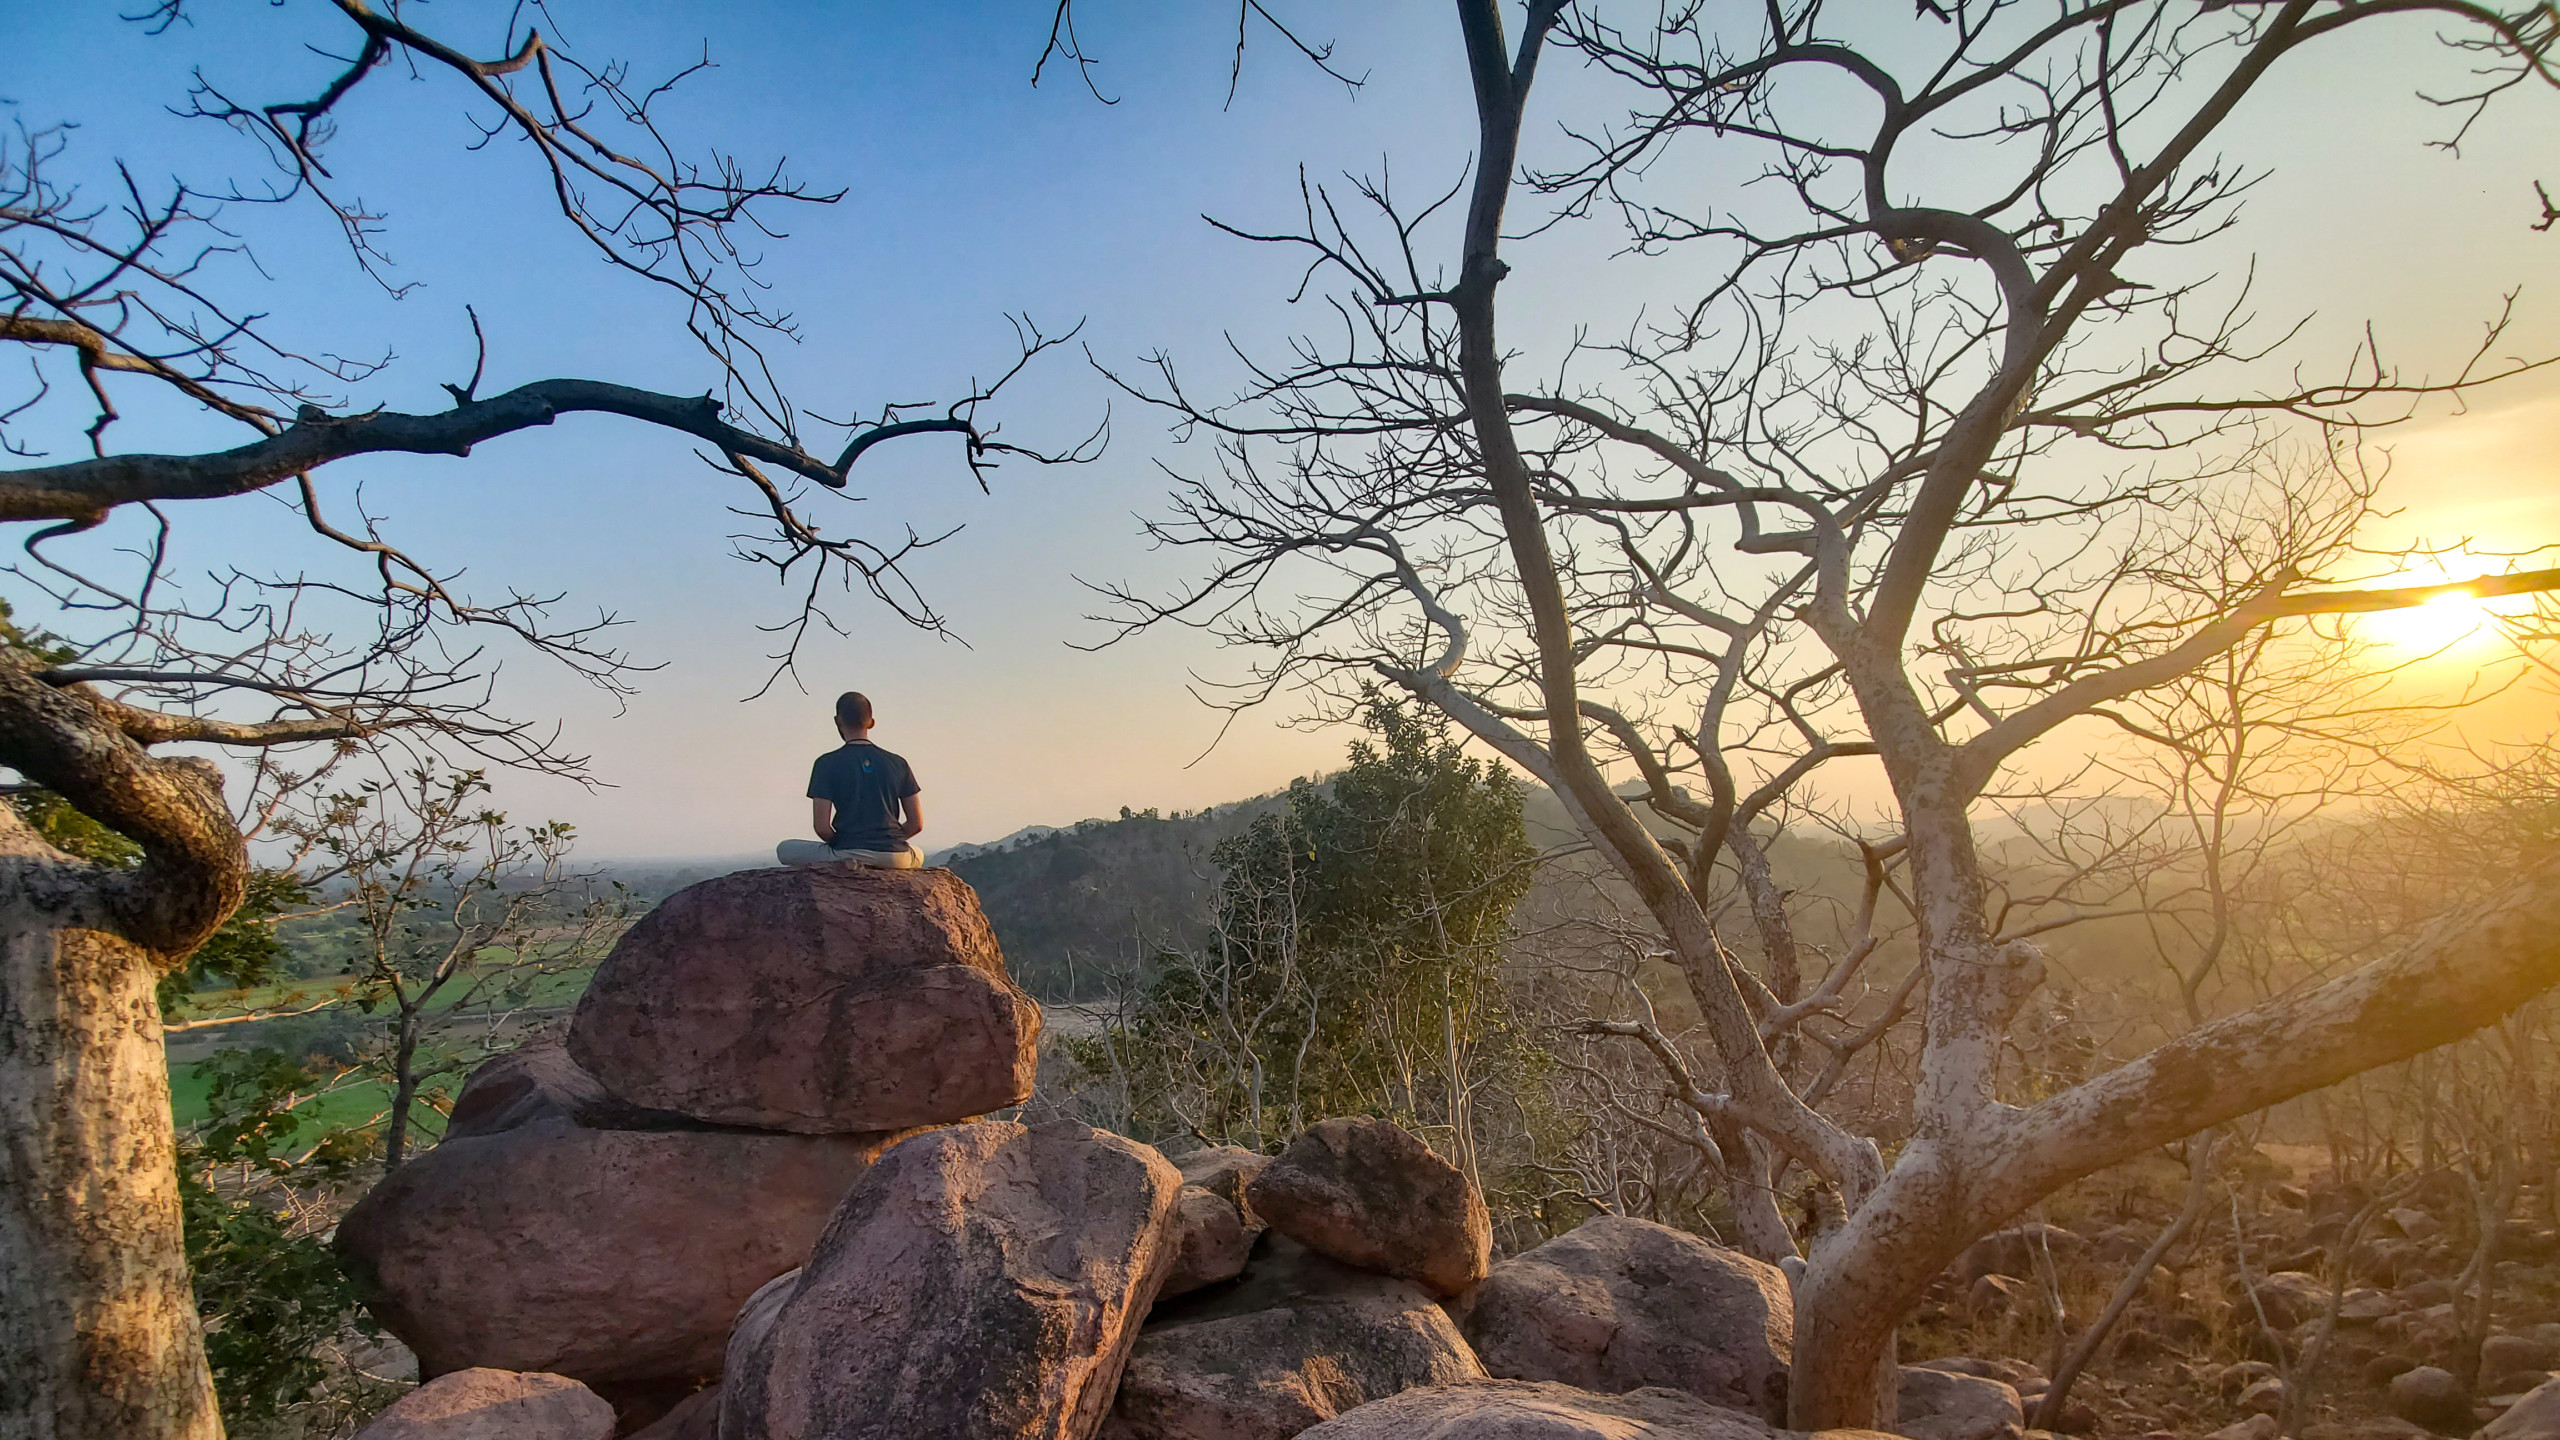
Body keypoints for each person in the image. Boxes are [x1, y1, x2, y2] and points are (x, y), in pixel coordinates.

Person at [775, 691, 925, 869]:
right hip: (896, 857)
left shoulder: (826, 763)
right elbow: (916, 824)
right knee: (918, 853)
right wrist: (887, 843)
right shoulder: (898, 762)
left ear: (838, 721)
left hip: (848, 853)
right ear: (871, 722)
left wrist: (846, 844)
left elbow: (822, 827)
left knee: (784, 849)